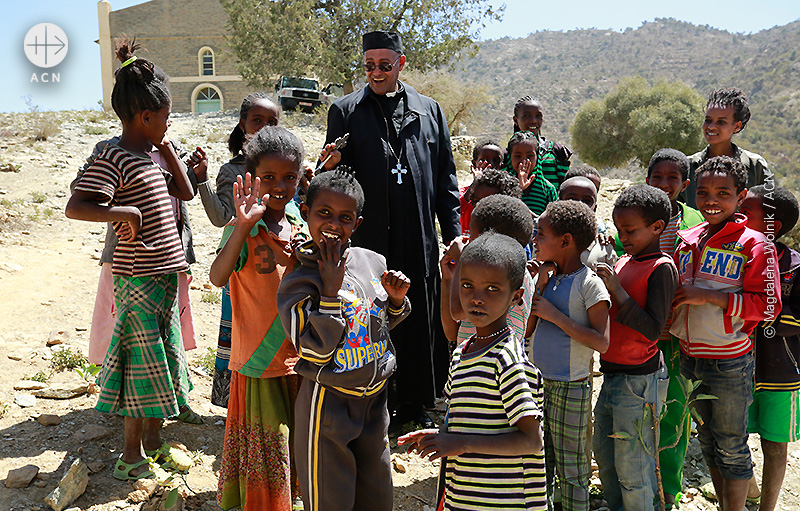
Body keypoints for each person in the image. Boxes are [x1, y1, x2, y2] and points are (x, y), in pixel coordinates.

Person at [65, 39, 194, 480]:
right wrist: (120, 211)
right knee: (141, 369)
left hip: (163, 278)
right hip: (136, 279)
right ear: (145, 116)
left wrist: (169, 149)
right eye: (165, 117)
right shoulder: (115, 156)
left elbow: (187, 192)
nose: (168, 124)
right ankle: (130, 456)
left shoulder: (154, 155)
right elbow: (76, 205)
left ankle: (155, 445)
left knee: (162, 362)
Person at [322, 30, 460, 430]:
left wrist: (452, 233)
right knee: (372, 312)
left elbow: (445, 179)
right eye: (369, 66)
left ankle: (415, 402)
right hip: (369, 239)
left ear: (401, 64)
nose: (376, 73)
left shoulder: (429, 110)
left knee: (416, 317)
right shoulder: (345, 111)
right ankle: (374, 396)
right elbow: (338, 182)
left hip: (418, 234)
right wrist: (328, 169)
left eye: (385, 65)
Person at [276, 169, 412, 511]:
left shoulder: (371, 262)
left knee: (376, 495)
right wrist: (330, 293)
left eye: (345, 217)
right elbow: (312, 352)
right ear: (305, 212)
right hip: (328, 405)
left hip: (374, 403)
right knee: (330, 499)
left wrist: (395, 302)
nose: (334, 224)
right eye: (324, 213)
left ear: (358, 222)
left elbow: (374, 326)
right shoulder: (301, 279)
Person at [399, 232, 546, 511]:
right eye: (467, 285)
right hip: (466, 497)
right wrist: (438, 437)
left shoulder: (507, 360)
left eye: (492, 289)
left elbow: (531, 440)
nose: (477, 298)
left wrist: (461, 443)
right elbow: (464, 422)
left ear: (516, 297)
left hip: (506, 501)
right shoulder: (462, 352)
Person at [670, 156, 780, 511]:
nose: (711, 200)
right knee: (707, 441)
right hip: (690, 358)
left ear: (741, 195)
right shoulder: (687, 240)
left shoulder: (754, 245)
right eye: (702, 192)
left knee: (731, 446)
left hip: (729, 362)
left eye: (723, 193)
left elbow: (767, 306)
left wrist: (710, 297)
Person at [209, 126, 308, 510]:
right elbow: (218, 277)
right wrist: (244, 225)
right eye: (269, 177)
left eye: (289, 177)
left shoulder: (301, 224)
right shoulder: (244, 228)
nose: (280, 186)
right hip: (258, 361)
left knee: (294, 443)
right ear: (251, 178)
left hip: (299, 358)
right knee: (269, 449)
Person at [609, 148, 704, 508]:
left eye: (673, 178)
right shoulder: (632, 222)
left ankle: (668, 488)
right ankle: (638, 486)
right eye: (657, 178)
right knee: (639, 413)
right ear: (647, 179)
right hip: (638, 337)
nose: (665, 185)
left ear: (685, 184)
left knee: (675, 411)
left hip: (675, 335)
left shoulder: (695, 221)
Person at [593, 185, 677, 511]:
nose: (623, 236)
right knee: (606, 456)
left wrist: (617, 289)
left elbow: (654, 329)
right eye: (618, 229)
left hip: (640, 382)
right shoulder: (625, 260)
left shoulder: (661, 268)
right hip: (613, 375)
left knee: (634, 466)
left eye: (630, 230)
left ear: (657, 227)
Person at [194, 93, 281, 408]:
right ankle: (238, 405)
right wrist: (202, 180)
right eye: (257, 120)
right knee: (242, 329)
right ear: (242, 124)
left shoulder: (287, 167)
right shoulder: (232, 171)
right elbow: (220, 218)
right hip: (241, 264)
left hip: (277, 268)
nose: (264, 128)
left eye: (272, 122)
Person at [529, 200, 611, 511]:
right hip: (537, 383)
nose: (535, 240)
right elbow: (527, 330)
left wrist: (555, 315)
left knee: (573, 468)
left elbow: (601, 342)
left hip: (570, 387)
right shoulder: (549, 279)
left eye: (542, 234)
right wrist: (539, 287)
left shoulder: (589, 284)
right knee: (539, 463)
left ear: (565, 241)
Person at [740, 185, 800, 511]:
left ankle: (768, 506)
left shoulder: (795, 267)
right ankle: (748, 488)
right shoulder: (733, 256)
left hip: (781, 374)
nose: (737, 216)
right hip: (735, 366)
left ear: (771, 227)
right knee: (732, 435)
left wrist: (764, 312)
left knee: (775, 446)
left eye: (746, 212)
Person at [440, 195, 536, 348]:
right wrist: (447, 280)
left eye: (472, 235)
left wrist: (462, 260)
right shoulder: (486, 280)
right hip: (469, 361)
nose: (468, 240)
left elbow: (457, 311)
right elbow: (452, 333)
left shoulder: (514, 276)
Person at [684, 87, 769, 208]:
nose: (711, 127)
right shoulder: (687, 166)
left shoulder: (755, 166)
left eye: (721, 122)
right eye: (708, 120)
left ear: (737, 126)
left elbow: (770, 210)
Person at [513, 95, 572, 188]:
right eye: (527, 116)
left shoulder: (556, 151)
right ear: (516, 120)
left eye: (538, 116)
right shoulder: (508, 154)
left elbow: (565, 187)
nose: (533, 120)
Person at [505, 131, 558, 217]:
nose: (524, 161)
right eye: (518, 156)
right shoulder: (503, 187)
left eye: (530, 156)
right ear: (509, 157)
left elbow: (552, 221)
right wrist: (518, 189)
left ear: (537, 157)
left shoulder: (548, 189)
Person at [459, 140, 505, 235]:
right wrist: (476, 183)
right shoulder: (464, 192)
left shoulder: (502, 193)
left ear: (501, 166)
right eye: (484, 160)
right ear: (474, 163)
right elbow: (458, 208)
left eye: (496, 160)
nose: (490, 164)